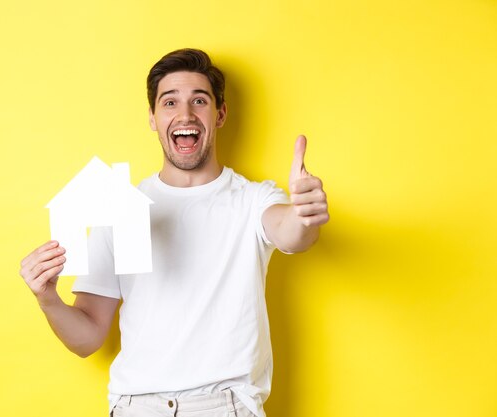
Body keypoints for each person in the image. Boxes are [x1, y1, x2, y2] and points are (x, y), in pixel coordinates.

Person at [20, 48, 329, 417]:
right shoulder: (120, 207)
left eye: (199, 100)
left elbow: (290, 232)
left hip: (225, 406)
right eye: (170, 103)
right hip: (137, 407)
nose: (185, 114)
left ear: (220, 114)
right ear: (153, 118)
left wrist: (305, 215)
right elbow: (87, 339)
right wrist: (48, 299)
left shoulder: (254, 199)